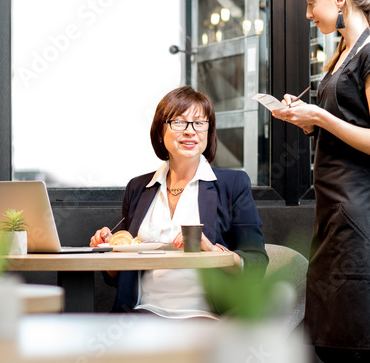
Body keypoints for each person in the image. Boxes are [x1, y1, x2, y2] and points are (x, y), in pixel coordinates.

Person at [271, 0, 370, 363]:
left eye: (313, 2)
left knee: (364, 348)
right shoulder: (343, 54)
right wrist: (308, 119)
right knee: (331, 337)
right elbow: (348, 128)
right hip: (334, 216)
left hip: (361, 219)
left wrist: (322, 118)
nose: (309, 13)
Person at [90, 85, 268, 317]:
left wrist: (213, 251)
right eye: (179, 122)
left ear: (208, 131)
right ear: (160, 132)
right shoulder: (138, 188)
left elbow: (256, 263)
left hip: (205, 315)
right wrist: (107, 250)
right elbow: (119, 275)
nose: (190, 131)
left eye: (199, 123)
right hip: (141, 312)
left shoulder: (232, 184)